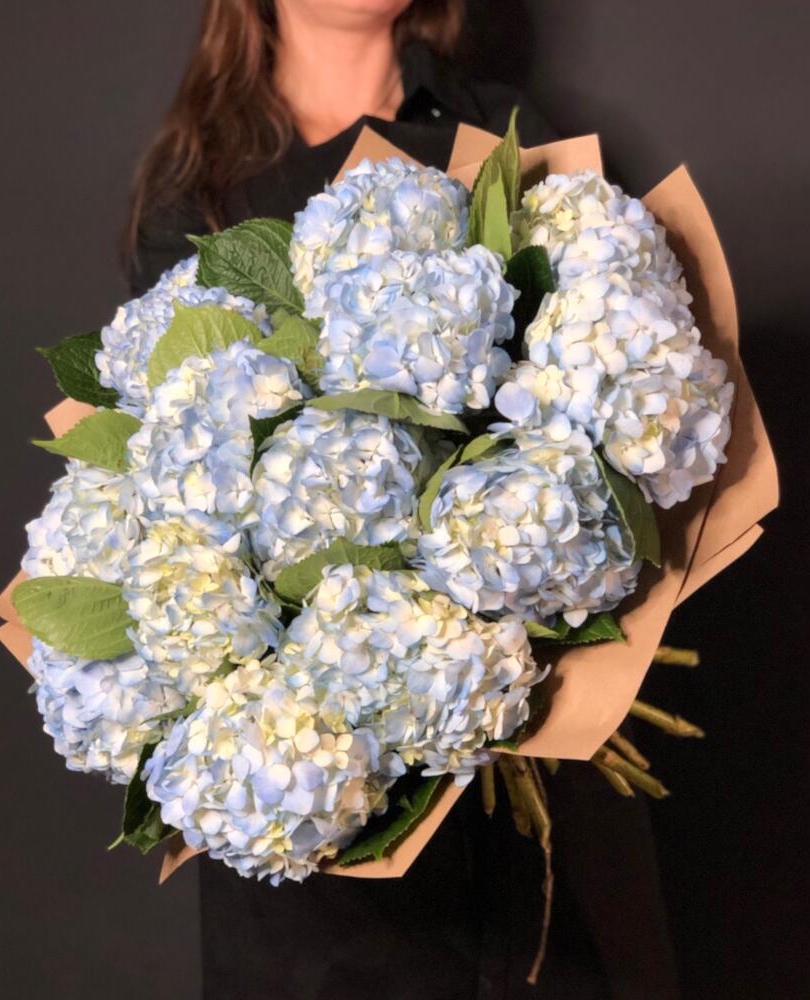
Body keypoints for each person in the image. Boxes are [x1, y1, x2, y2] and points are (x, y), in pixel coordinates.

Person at [124, 3, 680, 997]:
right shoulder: (197, 196)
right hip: (330, 838)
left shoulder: (507, 131)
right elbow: (181, 499)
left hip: (538, 803)